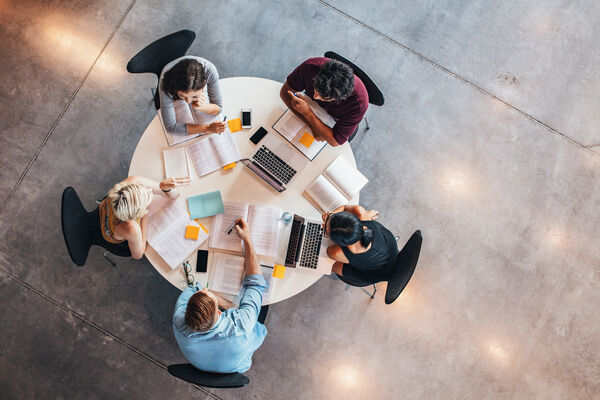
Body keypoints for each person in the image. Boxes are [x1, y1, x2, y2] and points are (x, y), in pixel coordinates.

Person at [172, 218, 268, 373]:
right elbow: (256, 282)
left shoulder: (179, 319)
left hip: (200, 364)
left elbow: (193, 288)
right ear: (219, 312)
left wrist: (212, 298)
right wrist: (247, 238)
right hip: (238, 365)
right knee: (262, 304)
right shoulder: (241, 327)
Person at [279, 57, 369, 146]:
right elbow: (284, 92)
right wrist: (312, 125)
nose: (315, 96)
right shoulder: (310, 66)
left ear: (341, 97)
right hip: (312, 108)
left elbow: (335, 141)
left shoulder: (359, 104)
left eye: (324, 97)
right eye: (315, 89)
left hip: (334, 121)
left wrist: (308, 113)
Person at [98, 176, 191, 259]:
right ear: (139, 213)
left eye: (142, 188)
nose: (149, 190)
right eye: (146, 197)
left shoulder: (133, 182)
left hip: (109, 208)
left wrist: (166, 189)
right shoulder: (131, 228)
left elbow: (175, 196)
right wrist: (145, 216)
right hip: (109, 232)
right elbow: (138, 255)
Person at [323, 205, 398, 284]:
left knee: (330, 266)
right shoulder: (360, 212)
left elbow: (332, 258)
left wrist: (329, 228)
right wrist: (331, 217)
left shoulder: (335, 252)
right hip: (389, 247)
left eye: (325, 230)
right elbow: (344, 207)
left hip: (376, 273)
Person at [159, 56, 226, 136]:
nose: (188, 101)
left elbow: (218, 109)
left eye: (194, 96)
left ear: (204, 84)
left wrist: (202, 106)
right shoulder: (166, 83)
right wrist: (208, 128)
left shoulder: (210, 71)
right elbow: (171, 128)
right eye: (182, 95)